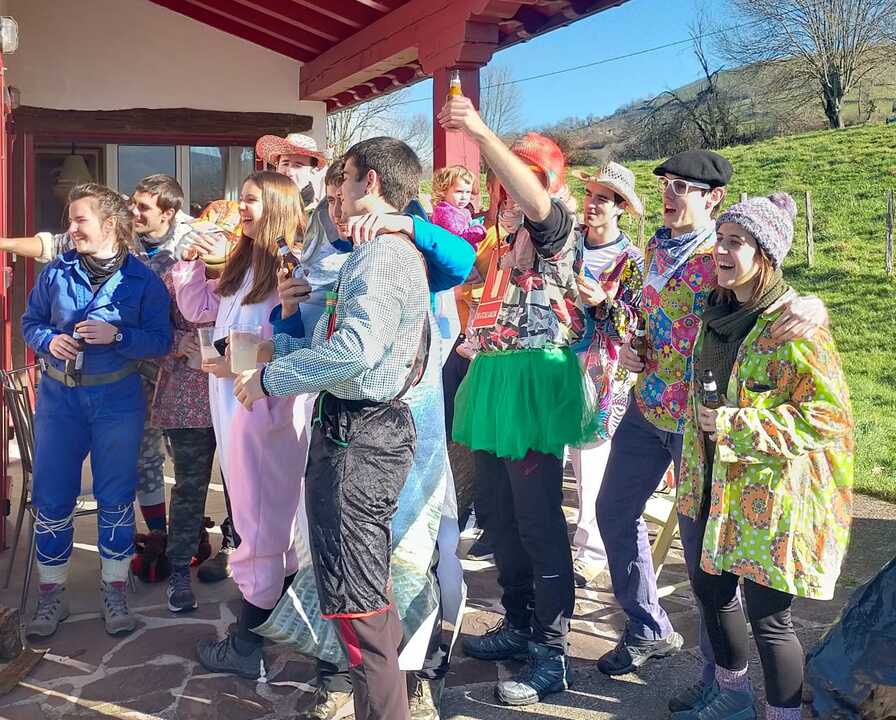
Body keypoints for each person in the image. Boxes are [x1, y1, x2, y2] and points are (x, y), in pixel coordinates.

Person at [593, 150, 829, 716]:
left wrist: (814, 305)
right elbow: (650, 315)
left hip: (702, 429)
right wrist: (636, 345)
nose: (669, 194)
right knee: (614, 512)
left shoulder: (725, 255)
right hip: (650, 405)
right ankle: (649, 626)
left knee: (709, 560)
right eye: (665, 184)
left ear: (713, 197)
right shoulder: (656, 248)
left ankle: (719, 680)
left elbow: (779, 297)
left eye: (682, 186)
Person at [233, 137, 436, 720]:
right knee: (361, 594)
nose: (335, 193)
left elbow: (354, 352)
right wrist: (287, 323)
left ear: (370, 182)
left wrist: (269, 377)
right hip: (359, 432)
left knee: (358, 605)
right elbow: (339, 346)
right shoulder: (378, 252)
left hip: (360, 438)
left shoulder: (380, 256)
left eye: (343, 179)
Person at [673, 193, 854, 720]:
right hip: (709, 481)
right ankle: (732, 696)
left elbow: (830, 417)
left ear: (766, 254)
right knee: (712, 593)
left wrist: (737, 425)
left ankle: (782, 716)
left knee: (769, 619)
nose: (720, 250)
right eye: (719, 239)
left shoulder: (792, 326)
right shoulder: (716, 311)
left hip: (768, 498)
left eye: (736, 242)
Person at [438, 95, 592, 706]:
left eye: (516, 181)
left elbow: (538, 204)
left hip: (533, 385)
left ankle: (553, 652)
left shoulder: (556, 229)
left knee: (537, 520)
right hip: (494, 380)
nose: (506, 194)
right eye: (500, 185)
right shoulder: (503, 244)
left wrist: (479, 132)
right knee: (500, 517)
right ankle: (519, 620)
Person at [0, 174, 223, 583]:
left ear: (169, 213)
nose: (134, 211)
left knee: (187, 465)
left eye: (144, 206)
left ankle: (192, 540)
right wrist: (5, 243)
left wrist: (157, 339)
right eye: (132, 203)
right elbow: (48, 248)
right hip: (124, 379)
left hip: (181, 375)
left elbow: (216, 294)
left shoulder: (191, 242)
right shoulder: (93, 250)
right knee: (143, 460)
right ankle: (156, 537)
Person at [21, 183, 172, 637]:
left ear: (108, 224)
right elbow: (31, 322)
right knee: (52, 495)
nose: (70, 228)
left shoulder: (142, 280)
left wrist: (118, 336)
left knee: (115, 495)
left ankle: (114, 591)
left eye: (79, 220)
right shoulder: (56, 272)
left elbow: (161, 340)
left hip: (117, 400)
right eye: (70, 220)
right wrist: (49, 341)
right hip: (59, 400)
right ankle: (52, 596)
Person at [173, 171, 307, 679]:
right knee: (262, 512)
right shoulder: (244, 262)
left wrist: (237, 361)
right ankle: (278, 612)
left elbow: (294, 339)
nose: (240, 207)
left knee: (257, 514)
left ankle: (248, 642)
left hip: (264, 408)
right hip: (232, 401)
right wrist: (188, 262)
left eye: (251, 200)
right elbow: (199, 309)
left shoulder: (290, 265)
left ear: (276, 205)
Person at [567, 163, 645, 589]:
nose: (592, 204)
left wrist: (604, 303)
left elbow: (634, 325)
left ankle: (591, 550)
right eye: (590, 195)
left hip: (603, 369)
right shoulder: (567, 242)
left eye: (602, 198)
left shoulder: (631, 261)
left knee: (591, 459)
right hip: (557, 358)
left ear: (619, 209)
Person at [255, 132, 327, 210]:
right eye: (285, 164)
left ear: (313, 171)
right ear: (277, 167)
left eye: (298, 166)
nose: (289, 172)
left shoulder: (321, 212)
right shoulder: (263, 206)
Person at [430, 165, 487, 248]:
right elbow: (459, 238)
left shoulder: (460, 210)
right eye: (459, 192)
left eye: (468, 192)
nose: (464, 197)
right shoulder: (445, 213)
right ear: (444, 191)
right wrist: (479, 230)